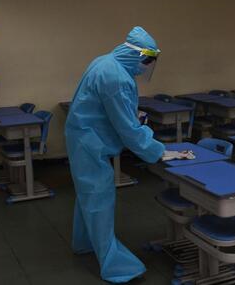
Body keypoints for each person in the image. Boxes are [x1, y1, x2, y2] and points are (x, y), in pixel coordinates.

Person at [65, 26, 165, 283]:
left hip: (83, 136)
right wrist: (159, 151)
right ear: (136, 55)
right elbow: (128, 130)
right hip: (90, 142)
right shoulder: (117, 78)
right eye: (145, 62)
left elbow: (110, 110)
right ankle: (116, 266)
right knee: (99, 197)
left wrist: (132, 118)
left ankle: (85, 242)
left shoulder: (105, 62)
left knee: (87, 194)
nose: (144, 68)